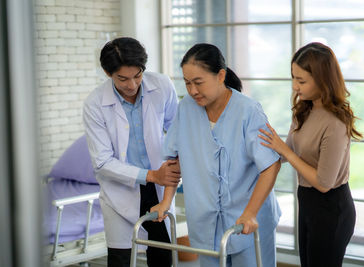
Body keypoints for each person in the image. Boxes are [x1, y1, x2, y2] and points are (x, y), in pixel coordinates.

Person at [151, 43, 281, 267]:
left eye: (198, 82)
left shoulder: (248, 111)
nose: (192, 91)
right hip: (205, 220)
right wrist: (166, 201)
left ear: (221, 75)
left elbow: (270, 165)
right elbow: (174, 161)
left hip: (248, 219)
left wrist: (250, 213)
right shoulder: (186, 109)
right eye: (188, 83)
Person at [258, 42, 360, 267]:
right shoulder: (304, 110)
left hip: (331, 208)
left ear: (323, 79)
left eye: (301, 81)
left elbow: (324, 183)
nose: (295, 86)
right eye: (293, 78)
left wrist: (284, 150)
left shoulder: (335, 123)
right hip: (307, 203)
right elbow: (285, 153)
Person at [83, 37, 180, 267]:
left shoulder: (162, 85)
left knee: (162, 256)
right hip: (121, 190)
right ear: (108, 73)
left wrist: (167, 174)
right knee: (120, 260)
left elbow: (177, 133)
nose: (132, 85)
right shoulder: (95, 103)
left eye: (137, 75)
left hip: (158, 189)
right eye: (123, 79)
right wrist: (151, 175)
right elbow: (102, 162)